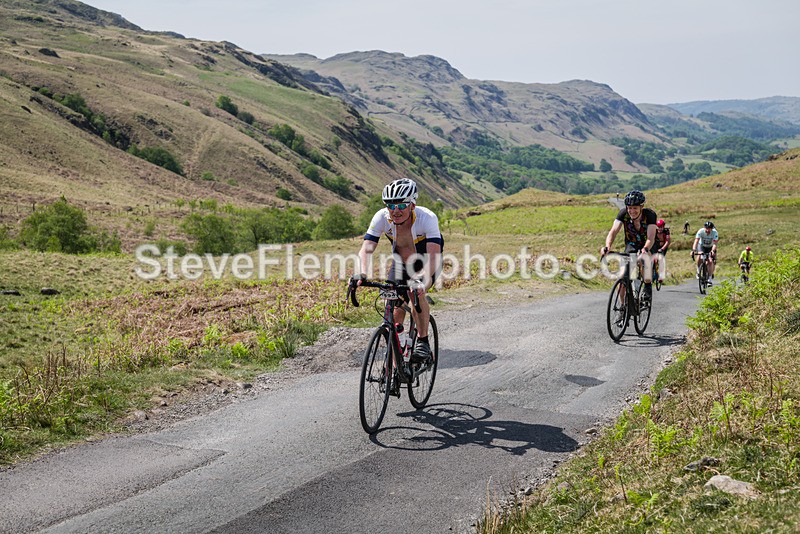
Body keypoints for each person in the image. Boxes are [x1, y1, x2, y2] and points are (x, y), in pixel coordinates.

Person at [353, 178, 443, 363]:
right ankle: (395, 368)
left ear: (412, 205)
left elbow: (434, 255)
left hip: (426, 262)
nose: (396, 211)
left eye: (402, 205)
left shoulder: (427, 218)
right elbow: (367, 247)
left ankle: (423, 342)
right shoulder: (381, 218)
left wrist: (422, 278)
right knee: (393, 310)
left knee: (416, 293)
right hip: (401, 263)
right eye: (390, 205)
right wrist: (361, 273)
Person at [600, 189, 657, 312]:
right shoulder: (623, 214)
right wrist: (607, 247)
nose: (632, 211)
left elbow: (651, 237)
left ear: (641, 207)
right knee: (623, 278)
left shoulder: (650, 215)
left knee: (644, 260)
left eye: (635, 208)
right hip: (631, 244)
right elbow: (613, 231)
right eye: (629, 208)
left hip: (647, 243)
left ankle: (647, 287)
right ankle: (622, 307)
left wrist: (645, 249)